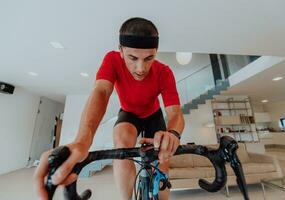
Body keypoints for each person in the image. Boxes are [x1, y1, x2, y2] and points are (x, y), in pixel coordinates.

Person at [34, 17, 185, 200]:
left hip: (154, 115)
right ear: (121, 50)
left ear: (156, 52)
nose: (141, 68)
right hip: (129, 114)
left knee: (163, 158)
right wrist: (82, 141)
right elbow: (102, 92)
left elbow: (175, 113)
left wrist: (173, 134)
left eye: (149, 58)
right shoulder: (112, 60)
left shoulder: (164, 71)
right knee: (122, 142)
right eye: (133, 58)